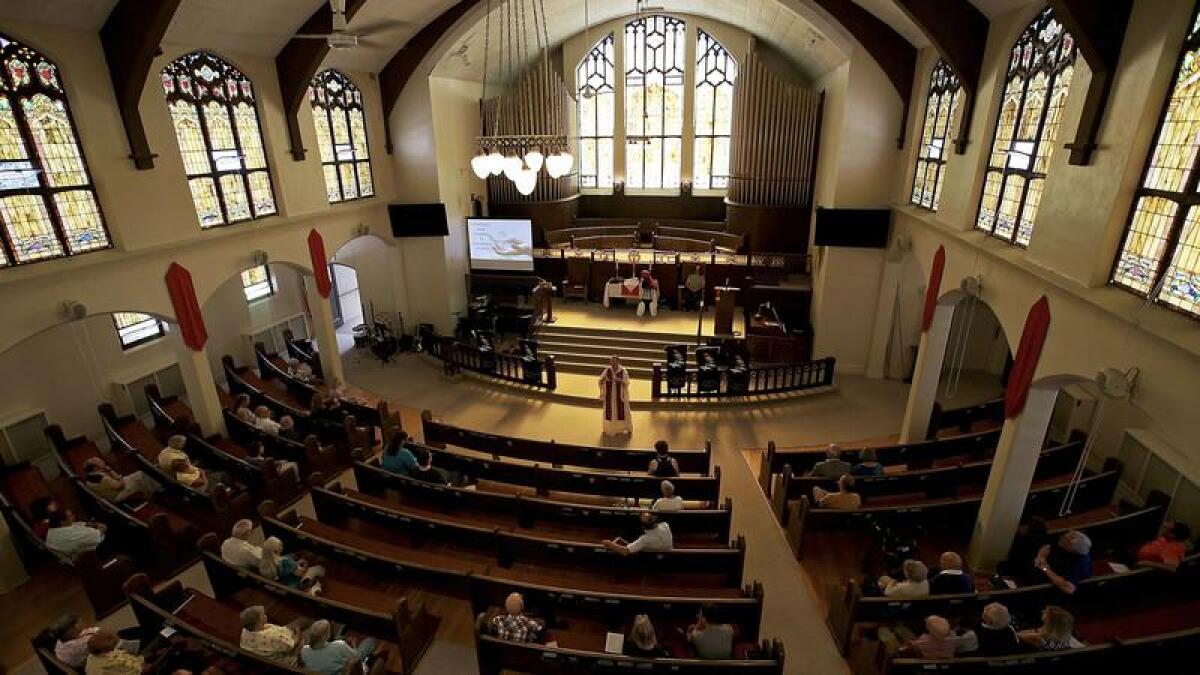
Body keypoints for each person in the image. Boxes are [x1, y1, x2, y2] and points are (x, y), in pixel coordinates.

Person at [300, 619, 375, 675]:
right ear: (327, 636)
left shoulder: (304, 650)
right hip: (347, 669)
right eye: (328, 632)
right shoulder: (339, 645)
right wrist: (354, 644)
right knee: (370, 641)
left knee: (340, 638)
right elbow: (356, 658)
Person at [259, 536, 325, 593]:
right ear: (276, 550)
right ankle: (313, 585)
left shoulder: (264, 562)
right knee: (318, 569)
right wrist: (306, 564)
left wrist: (297, 563)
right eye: (280, 545)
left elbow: (287, 569)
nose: (282, 547)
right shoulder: (285, 561)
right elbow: (300, 573)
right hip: (294, 581)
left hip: (284, 579)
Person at [1034, 530, 1092, 594]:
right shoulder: (1066, 538)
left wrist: (1046, 569)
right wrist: (1041, 557)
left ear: (1072, 550)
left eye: (1066, 542)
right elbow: (1047, 546)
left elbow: (1069, 589)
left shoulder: (1079, 563)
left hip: (1061, 592)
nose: (1062, 538)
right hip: (1045, 570)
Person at [83, 457, 157, 504]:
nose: (103, 462)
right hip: (117, 495)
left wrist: (111, 471)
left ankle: (154, 487)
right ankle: (153, 496)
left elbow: (116, 479)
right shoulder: (101, 478)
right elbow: (120, 486)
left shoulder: (89, 476)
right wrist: (119, 477)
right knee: (141, 480)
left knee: (141, 473)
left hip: (116, 487)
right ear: (95, 467)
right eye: (100, 462)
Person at [1001, 515, 1048, 583]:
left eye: (1023, 527)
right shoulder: (1039, 539)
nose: (1018, 527)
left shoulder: (1024, 548)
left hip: (1015, 575)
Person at [603, 512, 673, 555]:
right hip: (667, 551)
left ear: (643, 526)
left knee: (629, 530)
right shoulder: (665, 525)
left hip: (651, 558)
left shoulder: (644, 539)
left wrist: (610, 544)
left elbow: (625, 551)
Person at [1018, 605, 1084, 650]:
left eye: (1046, 612)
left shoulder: (1041, 638)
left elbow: (1017, 635)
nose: (1042, 611)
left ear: (1051, 619)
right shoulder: (1062, 632)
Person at [598, 356, 632, 436]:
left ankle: (625, 428)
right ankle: (609, 429)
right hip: (610, 396)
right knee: (610, 412)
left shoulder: (623, 371)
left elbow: (627, 383)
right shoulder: (607, 370)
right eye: (611, 361)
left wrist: (619, 380)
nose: (612, 363)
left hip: (620, 396)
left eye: (614, 362)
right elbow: (600, 380)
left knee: (623, 412)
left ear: (618, 362)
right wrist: (603, 380)